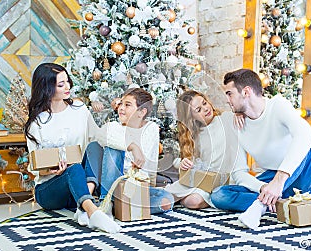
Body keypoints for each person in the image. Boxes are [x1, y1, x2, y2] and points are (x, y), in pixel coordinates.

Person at [211, 68, 311, 230]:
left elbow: (307, 135)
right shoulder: (237, 124)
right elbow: (239, 172)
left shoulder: (278, 106)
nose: (227, 100)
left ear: (246, 92)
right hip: (271, 177)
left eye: (229, 93)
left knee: (303, 146)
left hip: (299, 175)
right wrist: (263, 188)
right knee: (219, 195)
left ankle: (261, 205)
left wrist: (279, 180)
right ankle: (278, 200)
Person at [24, 63, 124, 233]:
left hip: (80, 185)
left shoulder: (79, 110)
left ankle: (83, 207)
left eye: (67, 81)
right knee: (74, 169)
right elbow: (34, 168)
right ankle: (93, 213)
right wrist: (51, 170)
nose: (68, 87)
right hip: (49, 191)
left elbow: (96, 139)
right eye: (60, 84)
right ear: (47, 88)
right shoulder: (37, 123)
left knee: (93, 148)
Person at [84, 88, 174, 217]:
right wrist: (132, 147)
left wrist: (150, 185)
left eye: (127, 105)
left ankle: (118, 207)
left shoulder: (151, 128)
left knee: (166, 199)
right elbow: (100, 136)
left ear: (141, 112)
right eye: (120, 104)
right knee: (112, 146)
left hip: (134, 184)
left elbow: (151, 162)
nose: (121, 108)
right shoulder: (115, 126)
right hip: (113, 184)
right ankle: (107, 202)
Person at [165, 90, 244, 209]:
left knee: (193, 201)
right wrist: (183, 163)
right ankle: (167, 197)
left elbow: (248, 112)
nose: (205, 109)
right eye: (198, 110)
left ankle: (177, 199)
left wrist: (239, 112)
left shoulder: (226, 119)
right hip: (204, 181)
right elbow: (191, 161)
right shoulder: (195, 134)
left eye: (204, 103)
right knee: (188, 198)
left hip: (225, 181)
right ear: (191, 117)